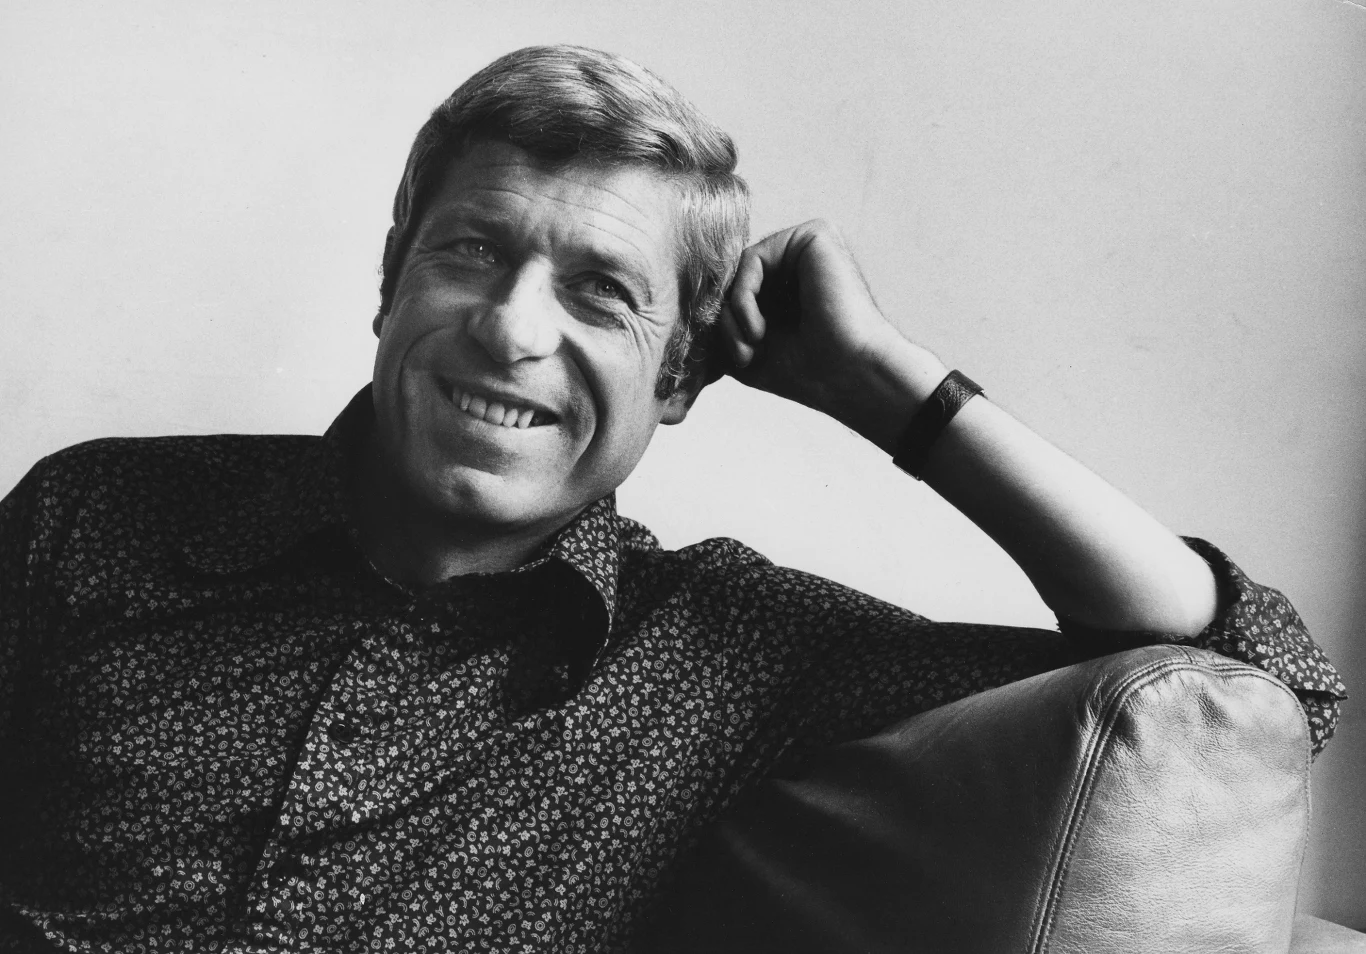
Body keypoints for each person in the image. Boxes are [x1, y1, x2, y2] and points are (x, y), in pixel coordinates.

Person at [0, 44, 1344, 954]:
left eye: (601, 293)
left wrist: (891, 390)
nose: (511, 329)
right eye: (471, 253)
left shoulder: (724, 653)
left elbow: (1257, 674)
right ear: (392, 277)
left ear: (683, 373)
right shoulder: (95, 514)